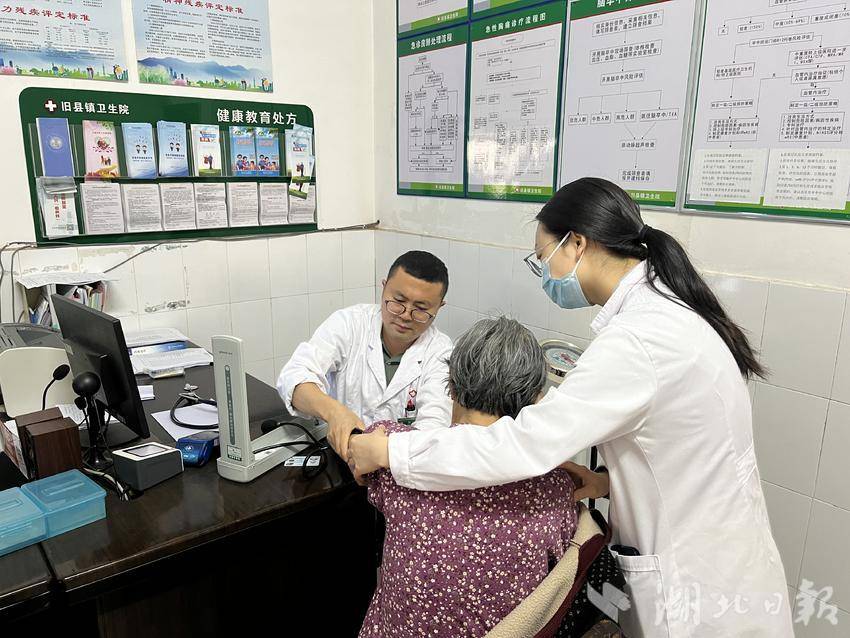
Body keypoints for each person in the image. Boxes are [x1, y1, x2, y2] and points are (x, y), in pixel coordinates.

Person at [350, 178, 794, 637]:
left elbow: (524, 445)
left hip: (695, 593)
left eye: (542, 258)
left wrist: (391, 451)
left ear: (577, 243)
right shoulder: (669, 315)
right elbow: (687, 456)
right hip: (721, 561)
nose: (544, 274)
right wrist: (607, 481)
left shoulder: (639, 340)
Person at [359, 317, 577, 638]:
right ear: (534, 401)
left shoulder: (394, 454)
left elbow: (362, 457)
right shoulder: (555, 488)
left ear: (451, 384)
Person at [277, 250, 453, 457]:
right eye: (398, 301)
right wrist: (334, 412)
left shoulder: (441, 353)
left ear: (439, 307)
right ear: (384, 287)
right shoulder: (350, 324)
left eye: (421, 309)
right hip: (339, 458)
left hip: (399, 468)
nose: (405, 315)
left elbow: (434, 430)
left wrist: (382, 454)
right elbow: (295, 376)